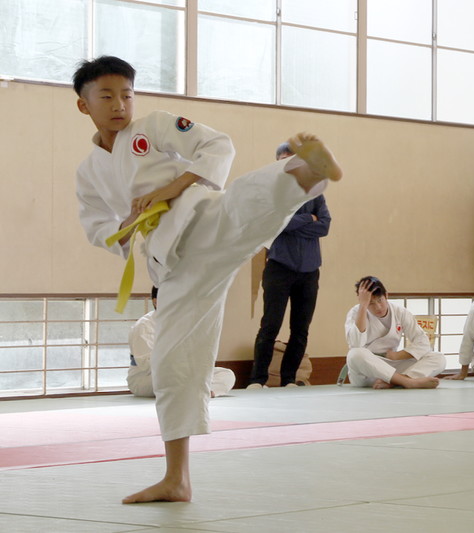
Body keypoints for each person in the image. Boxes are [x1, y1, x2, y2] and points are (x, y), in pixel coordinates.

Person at [72, 56, 342, 503]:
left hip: (196, 217)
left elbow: (218, 145)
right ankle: (177, 478)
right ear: (84, 105)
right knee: (171, 363)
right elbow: (96, 225)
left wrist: (171, 187)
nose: (120, 104)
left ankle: (304, 171)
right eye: (107, 96)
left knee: (239, 204)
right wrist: (126, 225)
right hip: (173, 266)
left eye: (127, 94)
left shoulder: (154, 126)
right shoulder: (88, 172)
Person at [247, 143, 331, 389]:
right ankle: (258, 379)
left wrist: (294, 222)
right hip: (279, 267)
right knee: (270, 325)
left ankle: (289, 379)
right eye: (283, 161)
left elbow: (324, 226)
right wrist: (308, 218)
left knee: (301, 329)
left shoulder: (315, 192)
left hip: (310, 271)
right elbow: (275, 223)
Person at [129, 287, 235, 398]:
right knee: (174, 378)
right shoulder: (144, 325)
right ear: (156, 302)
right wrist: (178, 363)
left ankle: (208, 392)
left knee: (226, 374)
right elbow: (146, 364)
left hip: (182, 373)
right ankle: (194, 390)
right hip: (146, 378)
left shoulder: (183, 322)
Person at [344, 276, 445, 389]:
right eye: (371, 303)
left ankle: (397, 381)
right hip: (367, 371)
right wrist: (363, 306)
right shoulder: (356, 312)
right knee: (355, 354)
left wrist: (398, 355)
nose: (378, 307)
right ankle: (408, 382)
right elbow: (356, 344)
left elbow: (423, 342)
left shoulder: (400, 312)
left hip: (392, 366)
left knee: (438, 357)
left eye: (380, 300)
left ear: (386, 296)